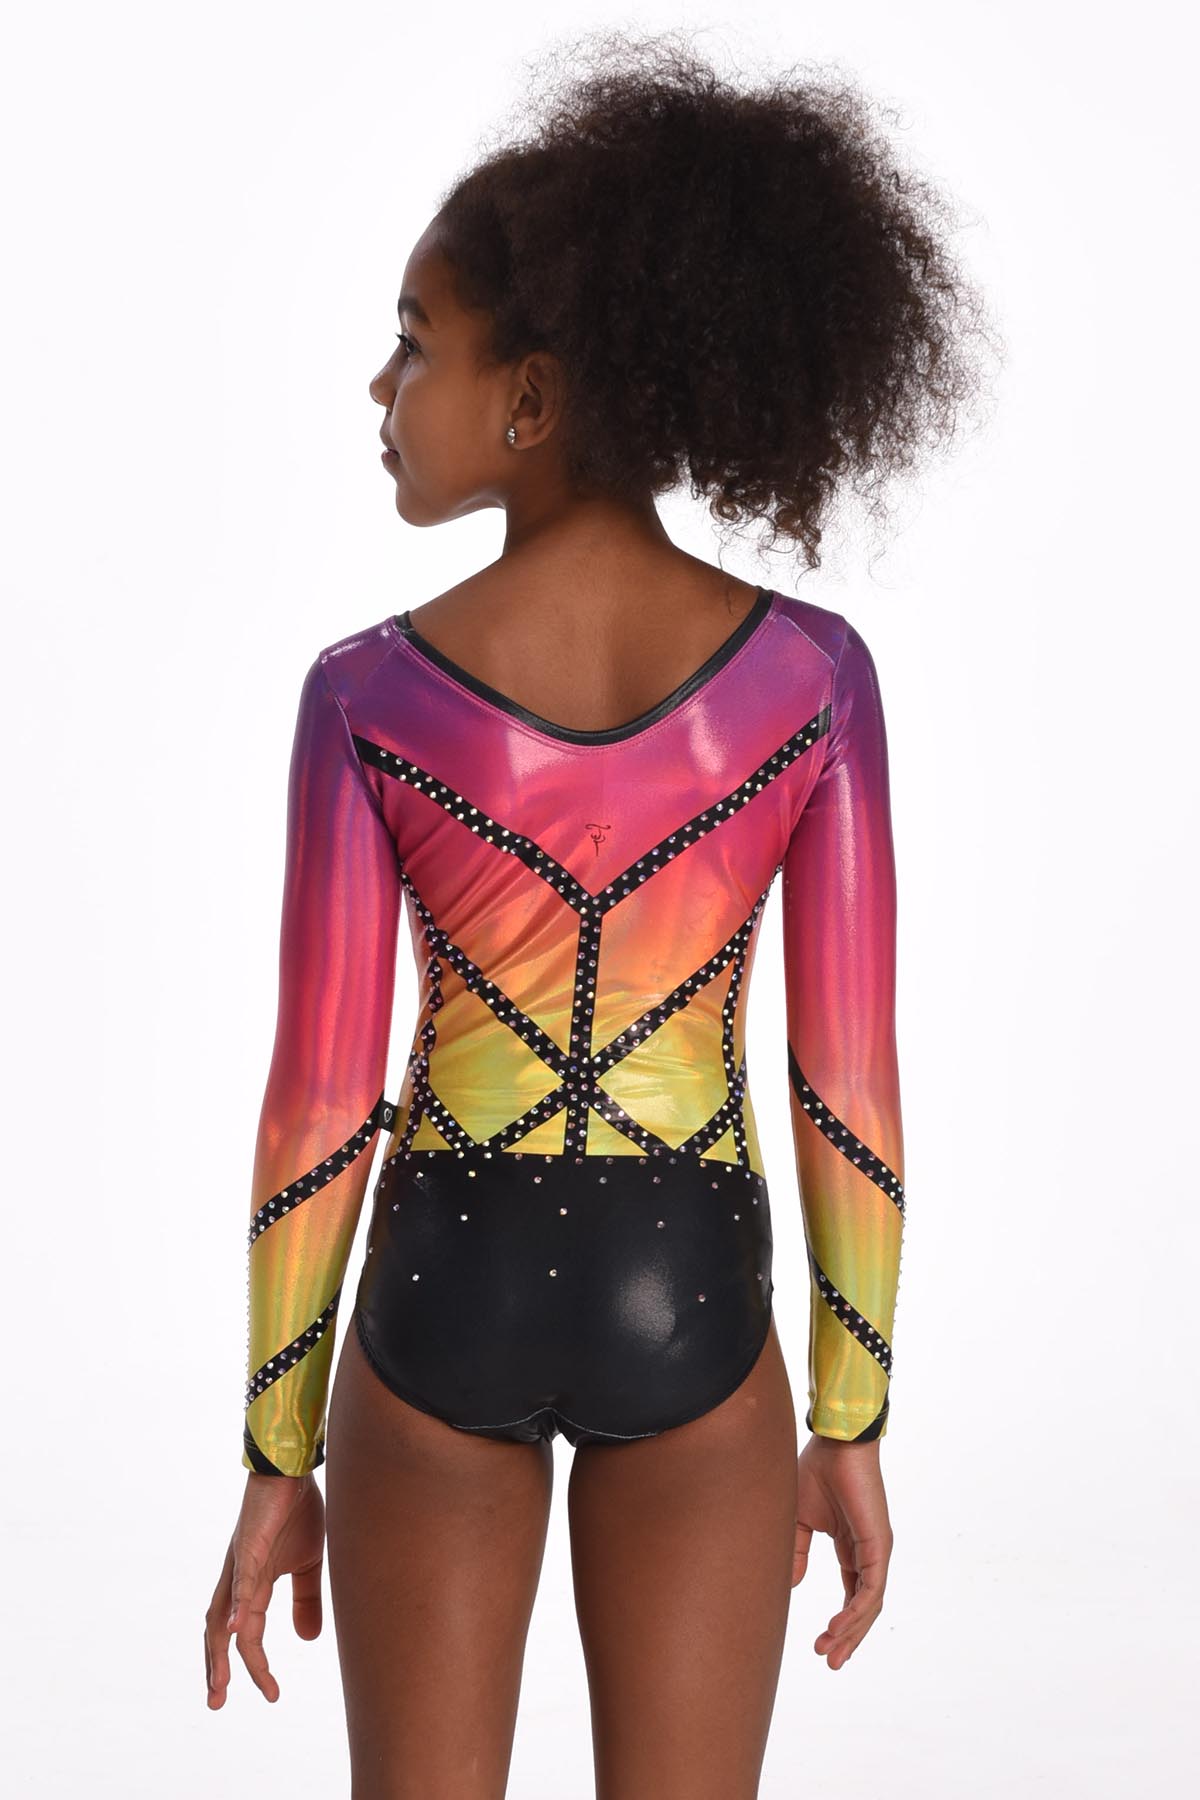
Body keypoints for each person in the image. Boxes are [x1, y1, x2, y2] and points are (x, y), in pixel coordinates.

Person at [204, 34, 990, 1798]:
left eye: (417, 340)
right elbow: (847, 1092)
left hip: (436, 1304)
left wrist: (274, 1454)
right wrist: (852, 1419)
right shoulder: (813, 682)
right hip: (693, 1308)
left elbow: (319, 1107)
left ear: (535, 398)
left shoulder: (367, 697)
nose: (382, 384)